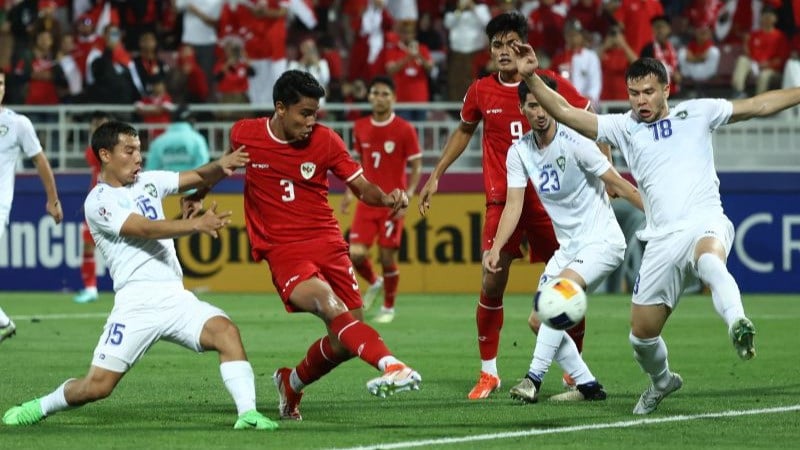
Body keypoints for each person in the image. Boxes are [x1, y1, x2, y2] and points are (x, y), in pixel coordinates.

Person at [512, 47, 799, 414]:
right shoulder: (625, 127)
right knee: (641, 337)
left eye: (648, 92)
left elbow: (758, 105)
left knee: (710, 261)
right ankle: (663, 381)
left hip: (703, 219)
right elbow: (567, 114)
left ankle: (737, 322)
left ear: (666, 88)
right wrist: (532, 77)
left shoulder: (698, 111)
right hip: (661, 239)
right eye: (634, 93)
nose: (640, 100)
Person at [2, 121, 277, 430]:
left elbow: (197, 176)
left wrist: (221, 165)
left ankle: (248, 414)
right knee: (97, 386)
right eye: (129, 151)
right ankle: (39, 406)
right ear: (105, 155)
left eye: (139, 150)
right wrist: (193, 226)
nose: (138, 158)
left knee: (226, 332)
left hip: (175, 297)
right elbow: (143, 229)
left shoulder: (149, 182)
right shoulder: (99, 201)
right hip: (136, 305)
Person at [418, 11, 591, 400]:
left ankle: (574, 371)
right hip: (503, 202)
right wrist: (436, 174)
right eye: (496, 44)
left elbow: (586, 117)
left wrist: (605, 162)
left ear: (523, 45)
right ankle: (488, 372)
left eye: (510, 43)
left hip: (550, 203)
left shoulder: (547, 84)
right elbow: (463, 131)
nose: (502, 51)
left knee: (566, 287)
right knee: (491, 280)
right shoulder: (480, 90)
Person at [230, 70, 421, 421]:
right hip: (284, 249)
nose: (311, 121)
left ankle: (291, 383)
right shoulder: (245, 133)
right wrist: (195, 195)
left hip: (328, 242)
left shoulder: (327, 140)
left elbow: (363, 187)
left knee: (345, 342)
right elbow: (221, 168)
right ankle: (391, 364)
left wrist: (387, 198)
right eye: (304, 113)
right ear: (280, 108)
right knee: (328, 305)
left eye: (315, 113)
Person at [484, 78, 643, 403]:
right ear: (522, 109)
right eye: (532, 105)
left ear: (554, 103)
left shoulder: (576, 142)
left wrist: (661, 216)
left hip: (602, 242)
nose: (539, 112)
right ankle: (588, 386)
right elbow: (513, 205)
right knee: (536, 319)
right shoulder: (519, 151)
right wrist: (497, 246)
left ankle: (532, 379)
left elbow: (618, 184)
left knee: (556, 301)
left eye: (544, 104)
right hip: (568, 248)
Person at [340, 75, 423, 323]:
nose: (379, 98)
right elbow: (358, 165)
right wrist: (348, 192)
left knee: (388, 257)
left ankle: (388, 307)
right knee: (354, 254)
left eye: (385, 94)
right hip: (367, 201)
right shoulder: (360, 126)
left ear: (394, 98)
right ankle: (374, 282)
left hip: (392, 202)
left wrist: (408, 194)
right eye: (375, 93)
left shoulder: (404, 129)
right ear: (369, 96)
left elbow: (417, 165)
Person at [0, 69, 63, 342]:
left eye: (0, 82)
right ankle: (3, 322)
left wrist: (53, 199)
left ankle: (3, 322)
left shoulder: (18, 123)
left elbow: (40, 160)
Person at [74, 110, 114, 304]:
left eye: (102, 123)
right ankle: (90, 289)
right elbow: (96, 175)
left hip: (114, 203)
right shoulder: (93, 150)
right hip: (96, 203)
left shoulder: (116, 148)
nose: (98, 127)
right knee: (88, 245)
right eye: (95, 124)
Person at [145, 106, 210, 172]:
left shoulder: (158, 141)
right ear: (189, 119)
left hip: (167, 181)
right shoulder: (197, 139)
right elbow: (203, 166)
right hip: (191, 181)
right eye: (192, 118)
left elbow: (151, 169)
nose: (194, 120)